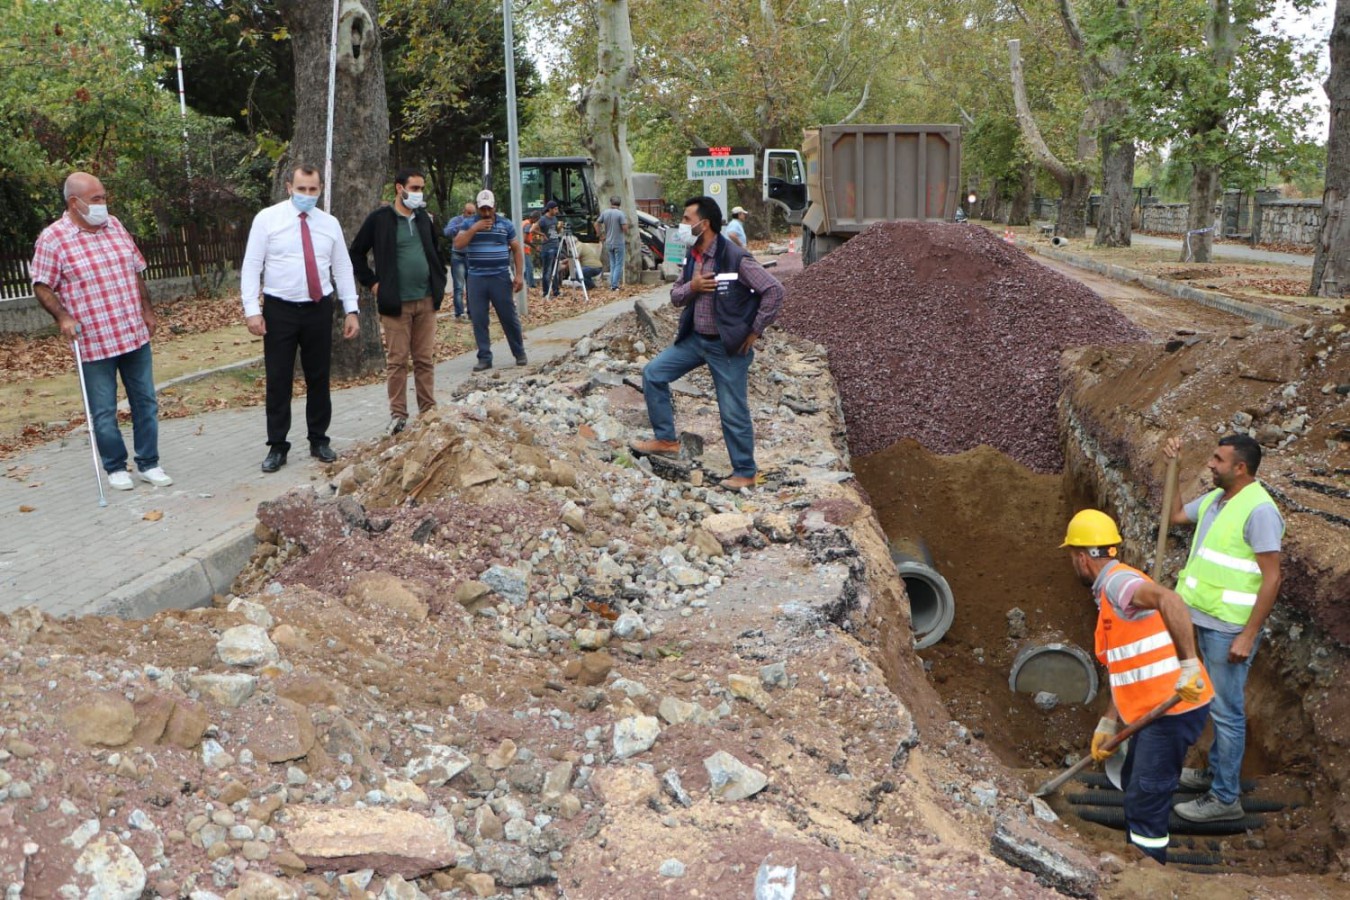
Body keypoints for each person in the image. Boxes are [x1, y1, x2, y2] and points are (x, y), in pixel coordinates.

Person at [1062, 509, 1212, 864]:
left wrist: (1189, 665)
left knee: (1146, 796)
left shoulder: (1118, 584)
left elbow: (1170, 599)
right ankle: (1138, 849)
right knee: (1133, 779)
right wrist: (1109, 721)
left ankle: (1148, 869)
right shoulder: (1108, 593)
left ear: (1082, 558)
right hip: (1153, 708)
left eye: (1071, 557)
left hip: (1175, 706)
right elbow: (1126, 666)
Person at [1163, 434, 1284, 823]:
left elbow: (1273, 578)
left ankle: (1225, 797)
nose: (1210, 464)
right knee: (1216, 706)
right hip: (1203, 618)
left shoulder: (1259, 511)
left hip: (1229, 628)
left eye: (1218, 459)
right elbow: (1175, 516)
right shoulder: (1217, 500)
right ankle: (1215, 774)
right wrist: (1174, 468)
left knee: (1227, 712)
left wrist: (1248, 635)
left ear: (1240, 468)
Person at [629, 196, 784, 491]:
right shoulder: (694, 256)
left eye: (687, 219)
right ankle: (666, 440)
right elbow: (676, 297)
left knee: (732, 409)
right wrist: (694, 286)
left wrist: (755, 330)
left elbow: (774, 291)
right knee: (653, 373)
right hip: (695, 340)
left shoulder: (735, 257)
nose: (682, 225)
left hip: (727, 347)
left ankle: (745, 471)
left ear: (704, 224)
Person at [30, 172, 173, 491]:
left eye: (104, 197)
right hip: (94, 341)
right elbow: (41, 285)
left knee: (145, 402)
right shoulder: (53, 239)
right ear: (74, 203)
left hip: (132, 333)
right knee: (104, 410)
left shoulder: (115, 226)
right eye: (96, 199)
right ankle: (115, 467)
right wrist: (62, 317)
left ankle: (149, 463)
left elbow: (135, 271)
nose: (103, 204)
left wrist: (147, 309)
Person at [240, 164, 360, 473]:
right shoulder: (267, 219)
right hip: (280, 308)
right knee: (278, 378)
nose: (307, 194)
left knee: (318, 376)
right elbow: (252, 264)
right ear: (289, 187)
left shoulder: (329, 224)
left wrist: (351, 309)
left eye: (313, 189)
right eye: (302, 189)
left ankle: (319, 439)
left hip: (318, 308)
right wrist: (252, 310)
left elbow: (342, 267)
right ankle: (277, 445)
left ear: (320, 189)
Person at [349, 167, 446, 436]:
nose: (419, 193)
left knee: (424, 359)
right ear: (399, 188)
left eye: (421, 188)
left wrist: (439, 279)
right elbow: (356, 253)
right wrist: (374, 284)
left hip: (426, 300)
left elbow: (435, 251)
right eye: (414, 188)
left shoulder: (424, 219)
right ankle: (398, 415)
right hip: (396, 304)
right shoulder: (380, 219)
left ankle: (428, 411)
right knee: (398, 361)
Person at [451, 189, 527, 372]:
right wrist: (474, 229)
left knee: (508, 316)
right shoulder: (469, 223)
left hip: (500, 276)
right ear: (477, 208)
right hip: (476, 277)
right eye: (482, 209)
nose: (486, 213)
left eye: (489, 208)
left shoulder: (505, 224)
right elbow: (458, 244)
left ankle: (519, 352)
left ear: (494, 207)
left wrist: (519, 275)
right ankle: (484, 357)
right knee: (479, 318)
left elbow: (516, 249)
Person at [441, 202, 476, 319]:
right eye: (469, 213)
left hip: (471, 256)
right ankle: (459, 313)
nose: (471, 216)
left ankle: (472, 312)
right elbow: (446, 232)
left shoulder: (476, 222)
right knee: (459, 286)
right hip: (458, 256)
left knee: (471, 286)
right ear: (463, 212)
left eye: (473, 213)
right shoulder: (456, 220)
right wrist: (462, 226)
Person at [596, 195, 629, 290]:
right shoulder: (620, 214)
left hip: (608, 242)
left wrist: (600, 235)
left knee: (613, 263)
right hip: (618, 242)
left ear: (611, 203)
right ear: (620, 204)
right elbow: (625, 228)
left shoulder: (605, 212)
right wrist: (626, 228)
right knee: (619, 264)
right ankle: (614, 285)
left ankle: (612, 284)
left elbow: (596, 223)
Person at [537, 201, 562, 298]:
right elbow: (532, 229)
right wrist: (542, 234)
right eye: (555, 209)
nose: (557, 211)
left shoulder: (555, 218)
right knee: (547, 271)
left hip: (555, 245)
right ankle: (546, 292)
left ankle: (556, 291)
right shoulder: (543, 219)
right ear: (550, 209)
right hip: (547, 248)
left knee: (555, 270)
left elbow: (555, 232)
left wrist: (559, 228)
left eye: (557, 209)